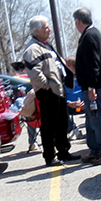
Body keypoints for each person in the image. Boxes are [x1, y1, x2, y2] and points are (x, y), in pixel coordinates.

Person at [21, 15, 74, 167]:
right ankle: (50, 157)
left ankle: (64, 151)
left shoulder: (45, 45)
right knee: (49, 125)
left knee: (62, 122)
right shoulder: (32, 49)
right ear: (36, 31)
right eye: (46, 28)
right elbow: (35, 73)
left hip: (58, 89)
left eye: (49, 27)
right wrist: (48, 86)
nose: (49, 29)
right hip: (48, 92)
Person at [72, 7, 101, 166]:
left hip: (94, 87)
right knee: (91, 120)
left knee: (98, 118)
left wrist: (91, 88)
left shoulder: (90, 36)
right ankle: (96, 151)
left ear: (78, 21)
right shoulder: (90, 35)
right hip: (92, 86)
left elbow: (93, 65)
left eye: (75, 21)